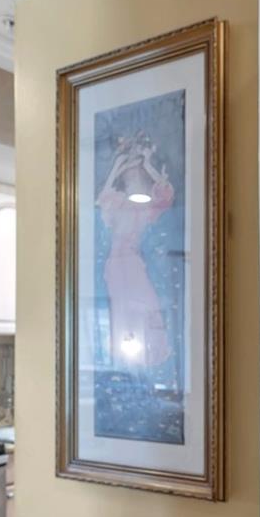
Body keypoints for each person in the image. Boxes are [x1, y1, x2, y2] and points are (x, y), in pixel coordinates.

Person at [96, 133, 175, 370]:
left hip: (133, 261)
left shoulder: (145, 206)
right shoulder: (118, 203)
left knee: (147, 303)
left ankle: (151, 355)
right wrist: (119, 165)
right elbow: (102, 198)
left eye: (135, 173)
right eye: (129, 173)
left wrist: (148, 164)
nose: (133, 177)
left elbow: (165, 193)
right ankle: (125, 359)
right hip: (117, 264)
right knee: (123, 310)